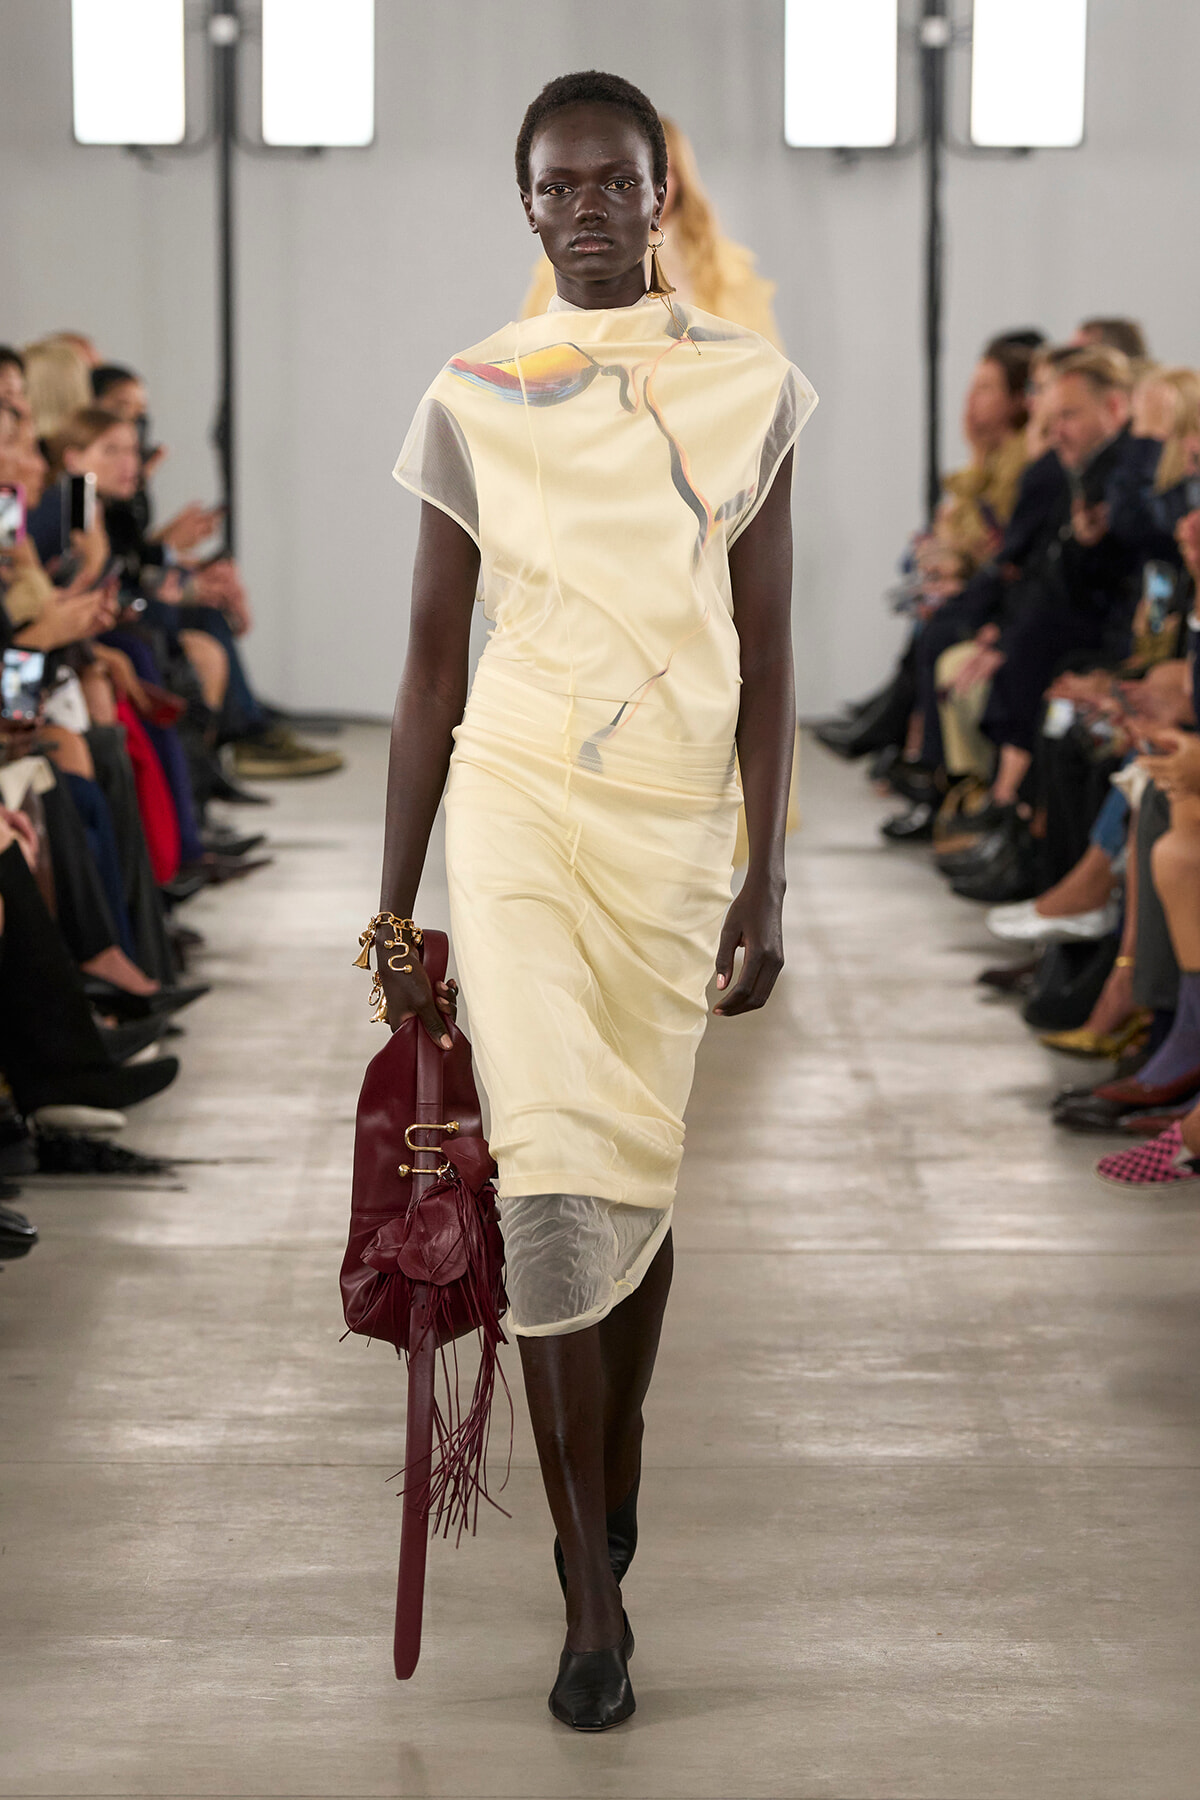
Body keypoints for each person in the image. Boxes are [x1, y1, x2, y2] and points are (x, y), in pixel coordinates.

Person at [373, 69, 814, 1730]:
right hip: (521, 805)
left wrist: (768, 877)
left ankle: (611, 1477)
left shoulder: (750, 389)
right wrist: (395, 906)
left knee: (635, 1170)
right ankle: (584, 1591)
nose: (583, 211)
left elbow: (771, 656)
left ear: (659, 194)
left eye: (612, 184)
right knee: (550, 1161)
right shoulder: (479, 391)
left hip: (676, 830)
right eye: (554, 188)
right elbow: (428, 670)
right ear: (527, 206)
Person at [521, 114, 782, 343]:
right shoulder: (563, 264)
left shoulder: (727, 270)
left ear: (679, 180)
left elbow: (759, 371)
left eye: (664, 171)